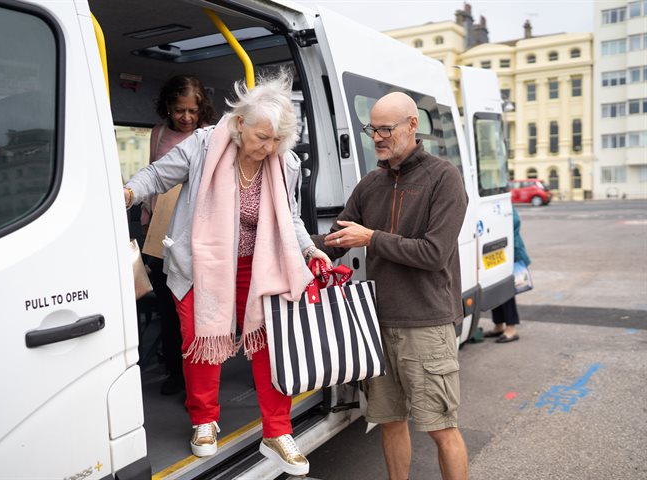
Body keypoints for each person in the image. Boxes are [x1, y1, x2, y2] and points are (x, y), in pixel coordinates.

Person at [122, 71, 330, 476]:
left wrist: (308, 250)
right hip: (203, 266)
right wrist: (128, 193)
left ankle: (278, 431)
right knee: (202, 340)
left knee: (270, 347)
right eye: (261, 138)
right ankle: (204, 421)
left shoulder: (283, 162)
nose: (267, 147)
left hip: (259, 269)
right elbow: (157, 175)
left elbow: (290, 218)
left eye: (276, 140)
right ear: (239, 125)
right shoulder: (203, 145)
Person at [311, 92, 469, 480]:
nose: (377, 137)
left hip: (426, 326)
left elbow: (433, 253)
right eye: (372, 129)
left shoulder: (444, 178)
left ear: (412, 126)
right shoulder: (370, 184)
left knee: (440, 428)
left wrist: (371, 239)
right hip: (377, 326)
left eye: (386, 129)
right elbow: (335, 240)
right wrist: (288, 244)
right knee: (390, 422)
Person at [142, 75, 214, 395]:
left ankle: (198, 372)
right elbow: (151, 182)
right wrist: (146, 227)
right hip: (160, 233)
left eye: (192, 111)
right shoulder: (158, 135)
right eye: (179, 110)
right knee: (169, 309)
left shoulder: (208, 138)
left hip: (194, 232)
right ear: (168, 108)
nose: (186, 117)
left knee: (194, 308)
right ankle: (175, 371)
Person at [484, 208, 531, 343]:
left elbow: (514, 222)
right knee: (493, 287)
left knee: (506, 291)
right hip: (493, 250)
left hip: (509, 251)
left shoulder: (504, 202)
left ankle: (511, 328)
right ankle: (498, 325)